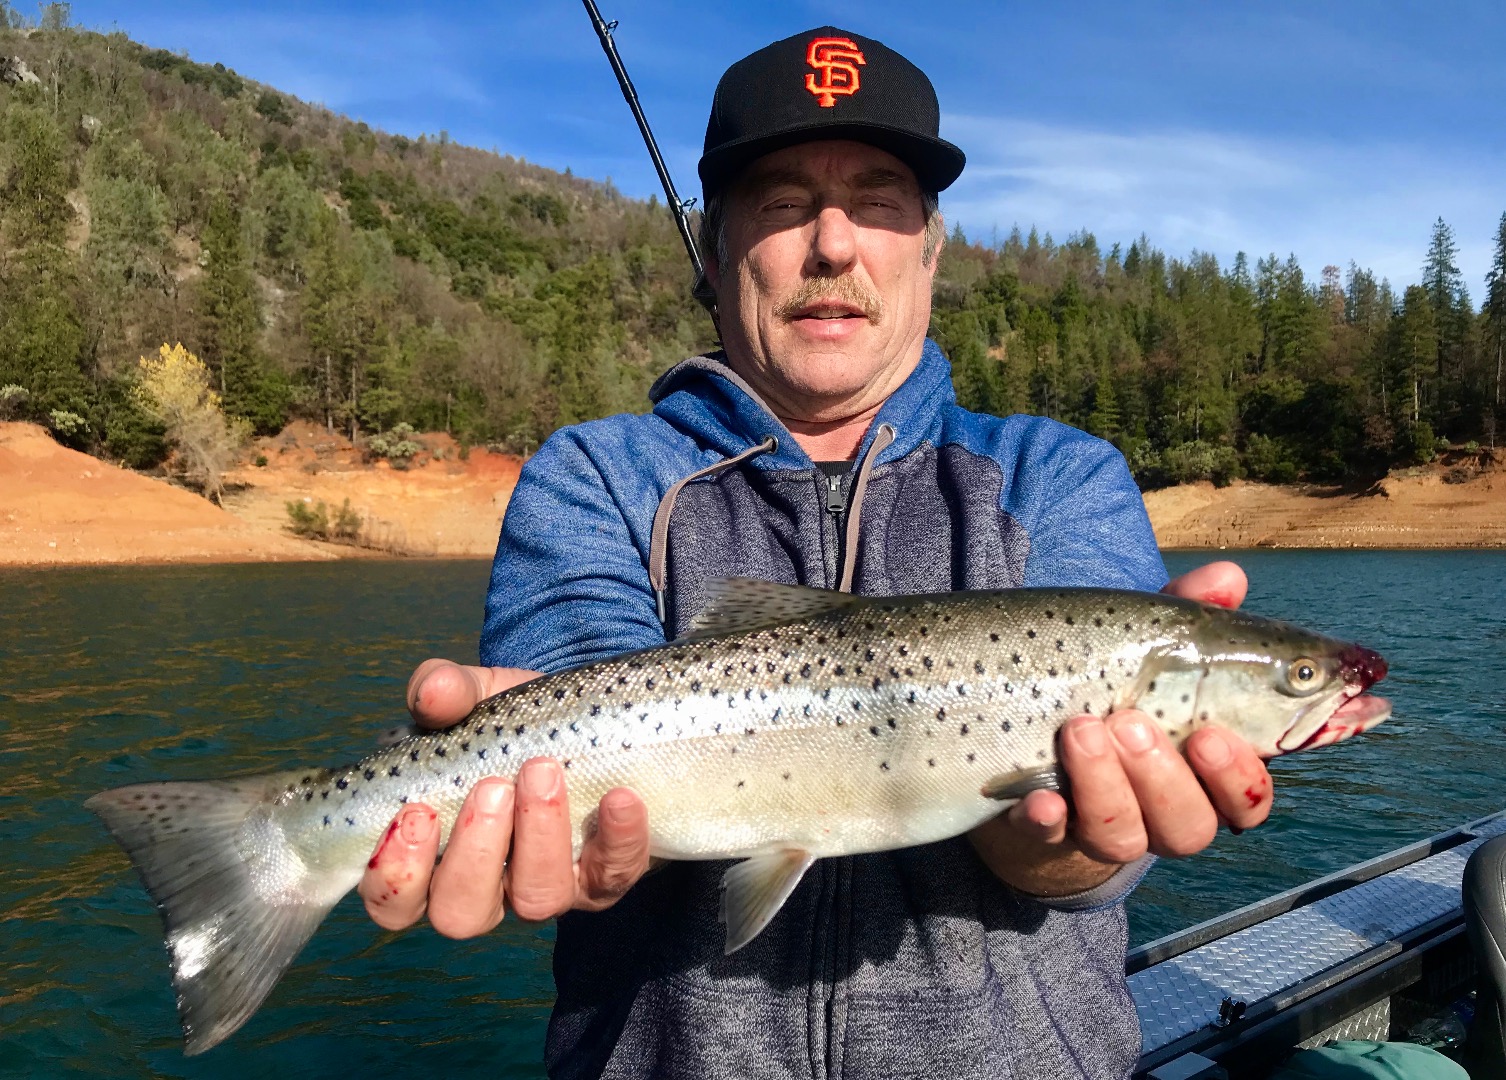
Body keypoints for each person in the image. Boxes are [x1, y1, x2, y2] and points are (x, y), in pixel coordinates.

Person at [359, 26, 1274, 1080]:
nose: (832, 244)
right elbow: (587, 771)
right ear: (716, 252)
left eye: (880, 201)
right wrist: (550, 827)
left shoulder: (1055, 479)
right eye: (784, 203)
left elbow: (1087, 862)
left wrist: (1065, 843)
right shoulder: (595, 477)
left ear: (930, 249)